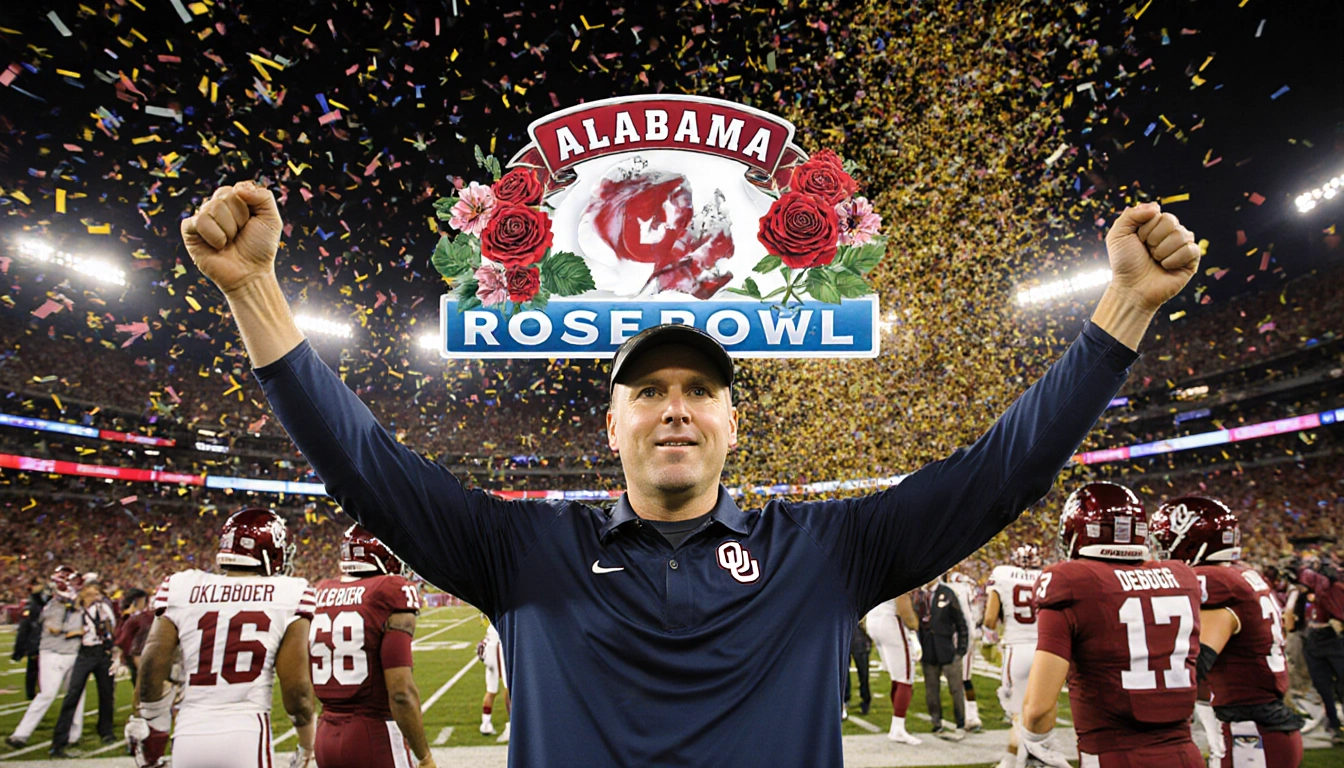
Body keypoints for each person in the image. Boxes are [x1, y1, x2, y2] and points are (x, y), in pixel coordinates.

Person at [184, 179, 1199, 766]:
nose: (676, 404)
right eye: (651, 388)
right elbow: (366, 467)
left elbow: (1002, 473)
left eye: (700, 390)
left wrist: (1125, 312)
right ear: (614, 419)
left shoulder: (827, 551)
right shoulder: (524, 548)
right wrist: (258, 293)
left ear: (732, 422)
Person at [1019, 482, 1204, 768]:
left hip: (1113, 755)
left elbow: (1038, 710)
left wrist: (1035, 745)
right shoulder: (1183, 576)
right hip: (1185, 755)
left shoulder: (1071, 580)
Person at [127, 508, 318, 768]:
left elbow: (150, 669)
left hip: (188, 733)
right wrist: (307, 745)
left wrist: (151, 724)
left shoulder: (182, 587)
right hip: (246, 732)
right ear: (271, 551)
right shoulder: (290, 593)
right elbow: (297, 692)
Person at [1150, 497, 1305, 767]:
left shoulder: (1216, 584)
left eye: (1165, 542)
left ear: (1189, 540)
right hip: (1262, 725)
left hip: (1252, 735)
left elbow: (1194, 668)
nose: (1161, 552)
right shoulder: (1242, 575)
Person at [309, 524, 435, 768]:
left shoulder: (322, 591)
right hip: (374, 735)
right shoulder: (390, 591)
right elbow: (401, 693)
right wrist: (425, 757)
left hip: (325, 736)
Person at [6, 567, 85, 750]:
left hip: (73, 653)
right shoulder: (54, 606)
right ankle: (21, 734)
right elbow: (55, 628)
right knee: (47, 694)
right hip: (53, 653)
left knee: (77, 695)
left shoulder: (77, 606)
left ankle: (73, 735)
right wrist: (79, 631)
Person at [984, 543, 1044, 768]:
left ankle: (1015, 762)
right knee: (1039, 709)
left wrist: (988, 640)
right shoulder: (1046, 576)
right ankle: (1023, 758)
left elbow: (990, 620)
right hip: (1044, 650)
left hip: (1016, 649)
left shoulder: (1002, 574)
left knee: (1018, 712)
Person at [49, 577, 119, 757]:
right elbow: (60, 629)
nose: (96, 596)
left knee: (106, 693)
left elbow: (112, 628)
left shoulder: (102, 609)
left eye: (97, 593)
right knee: (72, 694)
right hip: (83, 653)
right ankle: (59, 739)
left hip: (101, 653)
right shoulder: (73, 611)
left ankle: (106, 730)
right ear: (84, 594)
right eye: (92, 593)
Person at [1289, 553, 1344, 744]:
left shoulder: (1335, 589)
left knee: (1341, 684)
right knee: (1323, 687)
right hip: (1313, 640)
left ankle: (1337, 723)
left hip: (1334, 639)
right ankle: (1334, 724)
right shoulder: (1306, 594)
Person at [916, 575, 970, 739]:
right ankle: (936, 722)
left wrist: (961, 649)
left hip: (947, 650)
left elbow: (961, 622)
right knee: (931, 690)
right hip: (928, 651)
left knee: (956, 689)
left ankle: (960, 722)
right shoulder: (919, 596)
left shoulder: (947, 593)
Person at [864, 592, 920, 743]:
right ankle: (898, 727)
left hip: (873, 619)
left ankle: (897, 725)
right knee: (905, 676)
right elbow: (904, 607)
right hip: (889, 620)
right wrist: (914, 625)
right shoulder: (901, 568)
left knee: (897, 676)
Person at [947, 570, 984, 732]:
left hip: (961, 635)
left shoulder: (959, 584)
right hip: (953, 634)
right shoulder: (964, 584)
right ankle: (967, 714)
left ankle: (971, 714)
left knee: (963, 678)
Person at [11, 577, 47, 700]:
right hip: (36, 641)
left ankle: (35, 693)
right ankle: (32, 694)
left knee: (39, 671)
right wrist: (19, 649)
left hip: (42, 640)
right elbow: (25, 627)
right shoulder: (33, 603)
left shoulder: (43, 601)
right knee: (34, 670)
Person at [113, 588, 153, 686]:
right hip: (141, 654)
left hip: (137, 653)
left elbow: (120, 639)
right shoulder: (141, 617)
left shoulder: (132, 618)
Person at [477, 620, 510, 739]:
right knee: (509, 686)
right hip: (497, 645)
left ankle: (485, 723)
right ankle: (512, 724)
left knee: (491, 689)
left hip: (489, 643)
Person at [842, 616, 873, 720]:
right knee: (845, 671)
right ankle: (848, 701)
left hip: (852, 633)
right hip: (848, 632)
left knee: (860, 671)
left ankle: (863, 700)